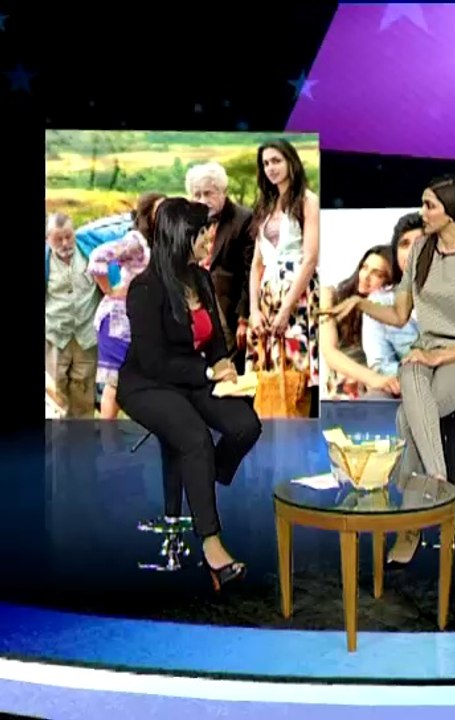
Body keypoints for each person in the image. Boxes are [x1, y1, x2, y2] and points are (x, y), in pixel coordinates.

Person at [324, 175, 455, 563]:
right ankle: (438, 480)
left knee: (409, 417)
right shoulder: (421, 250)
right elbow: (400, 315)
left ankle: (409, 527)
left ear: (450, 211)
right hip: (425, 355)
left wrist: (438, 358)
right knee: (411, 373)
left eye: (429, 205)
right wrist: (360, 304)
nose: (422, 213)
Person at [117, 198, 262, 592]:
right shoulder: (145, 289)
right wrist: (207, 371)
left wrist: (223, 363)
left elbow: (212, 338)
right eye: (202, 234)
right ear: (182, 237)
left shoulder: (199, 278)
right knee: (195, 438)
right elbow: (153, 362)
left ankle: (203, 475)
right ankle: (213, 548)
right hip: (147, 384)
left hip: (194, 378)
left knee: (245, 426)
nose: (209, 240)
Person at [246, 140, 320, 416]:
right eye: (266, 163)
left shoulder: (307, 200)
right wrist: (254, 310)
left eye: (276, 161)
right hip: (267, 293)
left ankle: (297, 437)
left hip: (298, 293)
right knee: (268, 370)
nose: (271, 168)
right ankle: (270, 437)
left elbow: (310, 258)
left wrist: (287, 308)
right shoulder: (265, 204)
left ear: (291, 162)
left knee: (296, 370)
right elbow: (256, 264)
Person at [86, 192, 165, 419]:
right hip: (120, 321)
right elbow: (98, 256)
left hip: (144, 321)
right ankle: (108, 437)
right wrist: (110, 290)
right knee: (116, 382)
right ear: (147, 215)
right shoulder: (136, 242)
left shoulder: (162, 243)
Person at [185, 162, 255, 371]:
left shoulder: (243, 219)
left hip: (230, 311)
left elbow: (250, 272)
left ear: (223, 191)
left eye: (208, 193)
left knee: (232, 370)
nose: (202, 200)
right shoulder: (190, 222)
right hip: (198, 309)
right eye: (197, 195)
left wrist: (244, 318)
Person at [320, 245, 400, 399]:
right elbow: (329, 351)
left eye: (377, 274)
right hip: (343, 393)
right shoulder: (330, 296)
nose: (366, 276)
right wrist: (373, 379)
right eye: (364, 267)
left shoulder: (390, 311)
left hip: (380, 390)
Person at [45, 213, 101, 418]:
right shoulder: (46, 261)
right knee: (55, 391)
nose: (65, 243)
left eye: (68, 236)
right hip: (55, 336)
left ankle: (82, 436)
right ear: (47, 239)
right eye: (58, 239)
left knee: (84, 391)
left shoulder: (90, 251)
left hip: (86, 335)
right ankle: (56, 436)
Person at [361, 212, 423, 386]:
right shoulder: (380, 302)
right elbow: (380, 366)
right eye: (404, 244)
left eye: (421, 243)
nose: (412, 251)